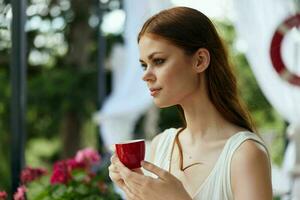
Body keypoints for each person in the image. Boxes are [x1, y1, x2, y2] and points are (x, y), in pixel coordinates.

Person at [109, 6, 273, 200]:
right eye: (144, 65)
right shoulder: (161, 145)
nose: (146, 75)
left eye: (159, 61)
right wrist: (133, 189)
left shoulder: (245, 155)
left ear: (200, 60)